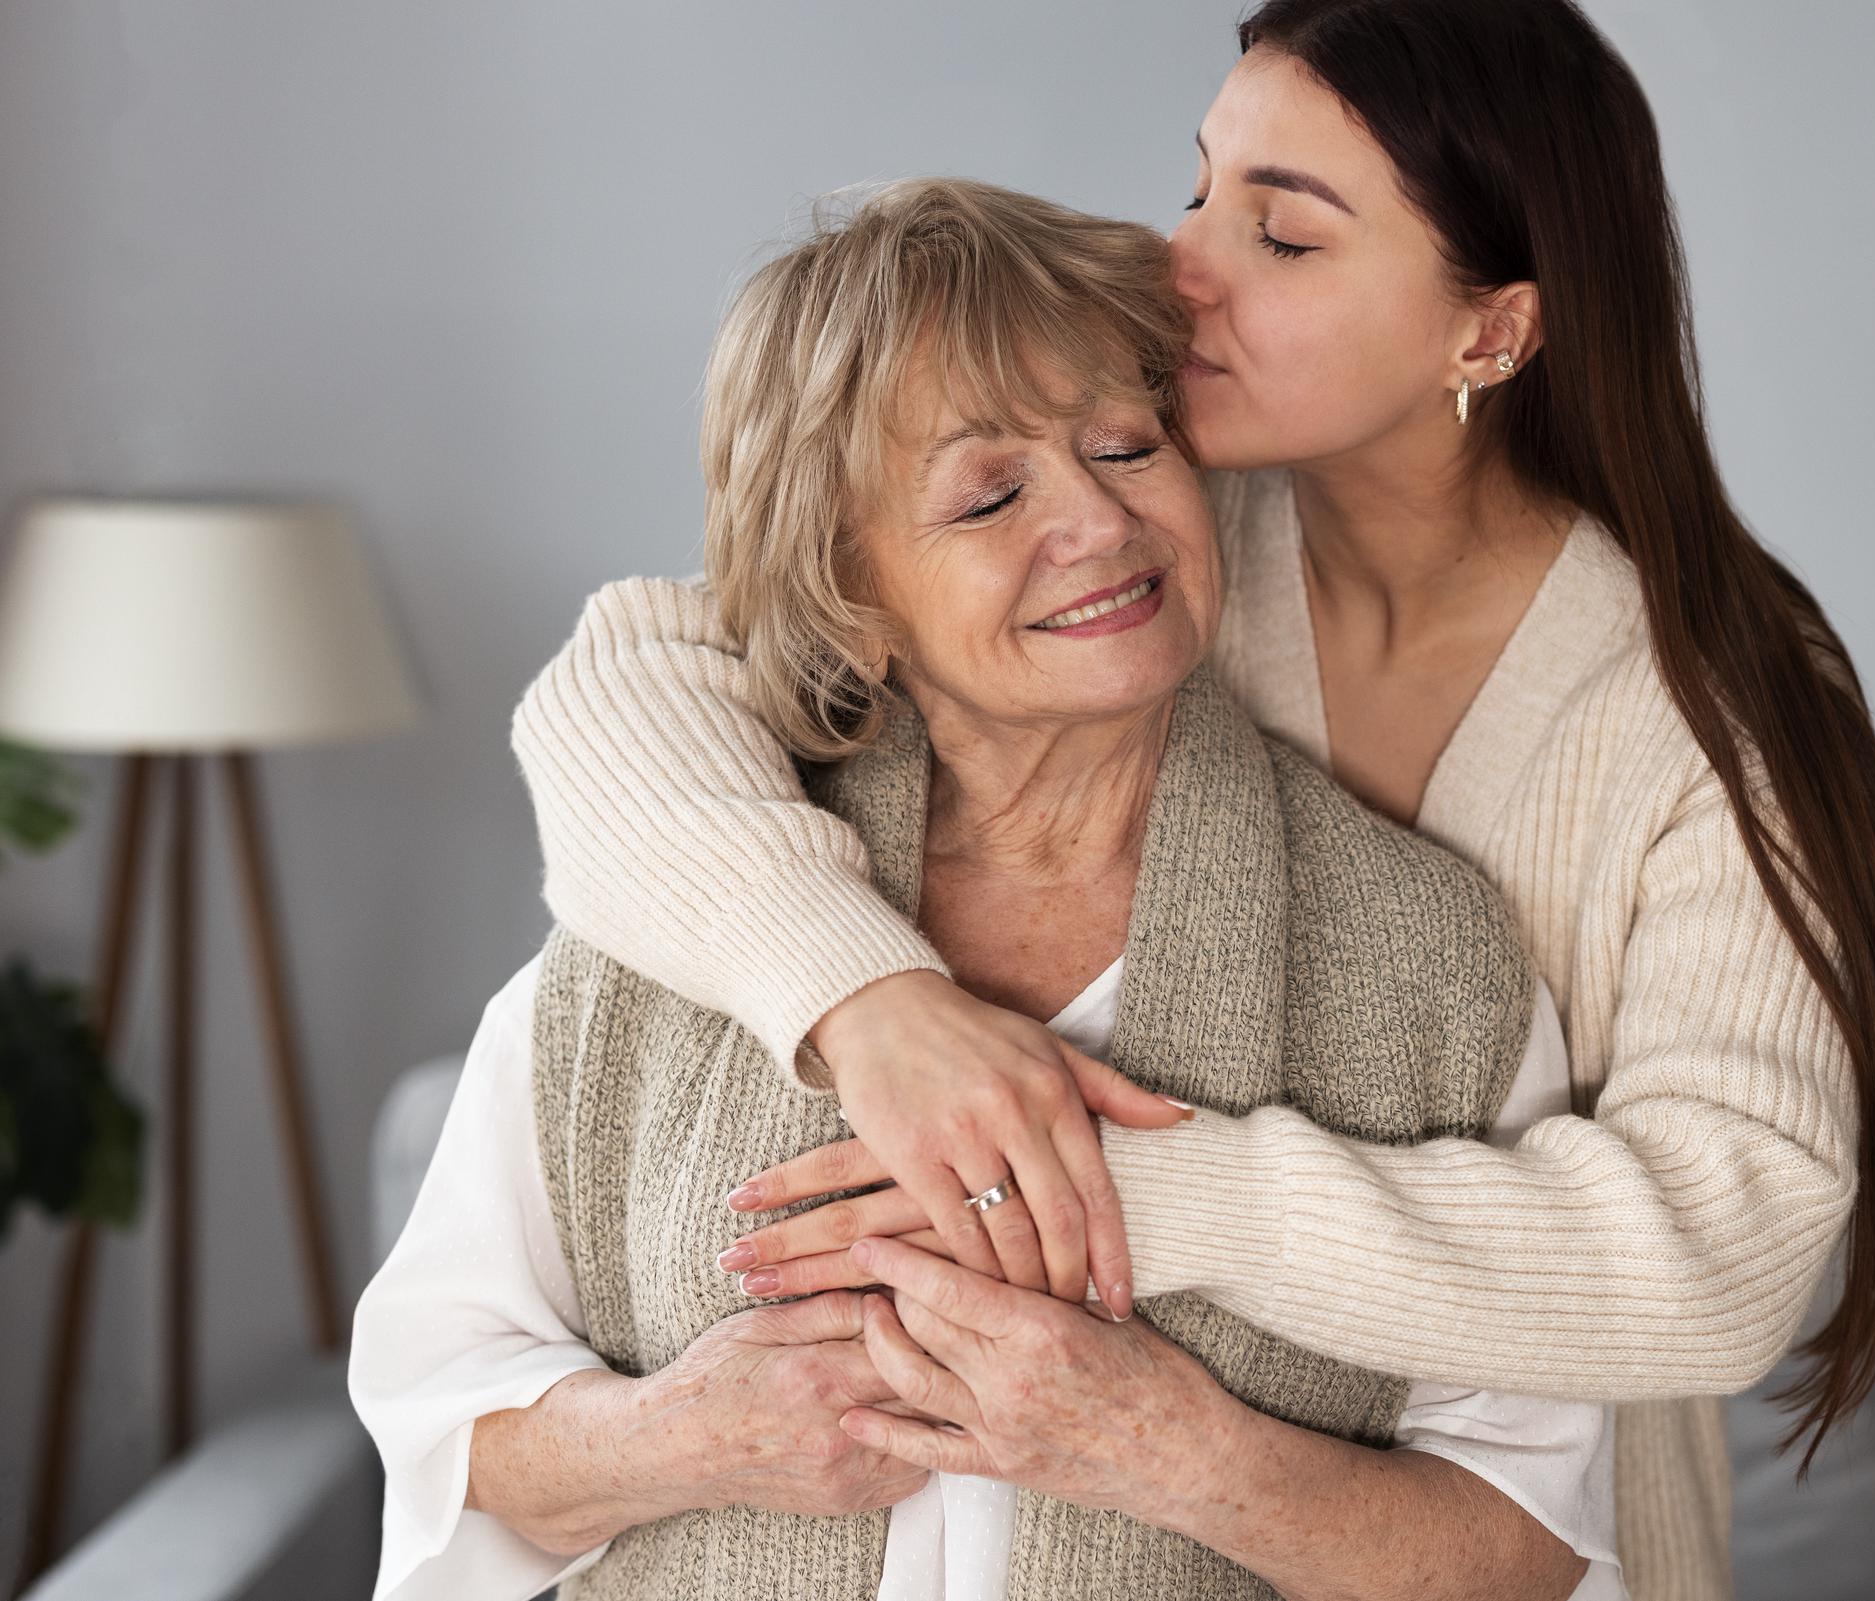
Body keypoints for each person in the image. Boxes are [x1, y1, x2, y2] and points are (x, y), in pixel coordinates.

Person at [509, 3, 1875, 1596]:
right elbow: (630, 679)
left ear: (1492, 333)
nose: (1182, 267)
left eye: (1284, 235)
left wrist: (1115, 1197)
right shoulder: (1145, 545)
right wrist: (867, 995)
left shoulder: (1716, 695)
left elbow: (1723, 1259)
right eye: (1198, 188)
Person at [353, 175, 1619, 1601]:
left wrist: (1173, 1450)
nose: (1096, 519)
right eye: (991, 491)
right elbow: (443, 1423)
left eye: (1129, 446)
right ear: (849, 587)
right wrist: (682, 1437)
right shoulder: (660, 920)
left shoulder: (1431, 969)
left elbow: (1533, 1546)